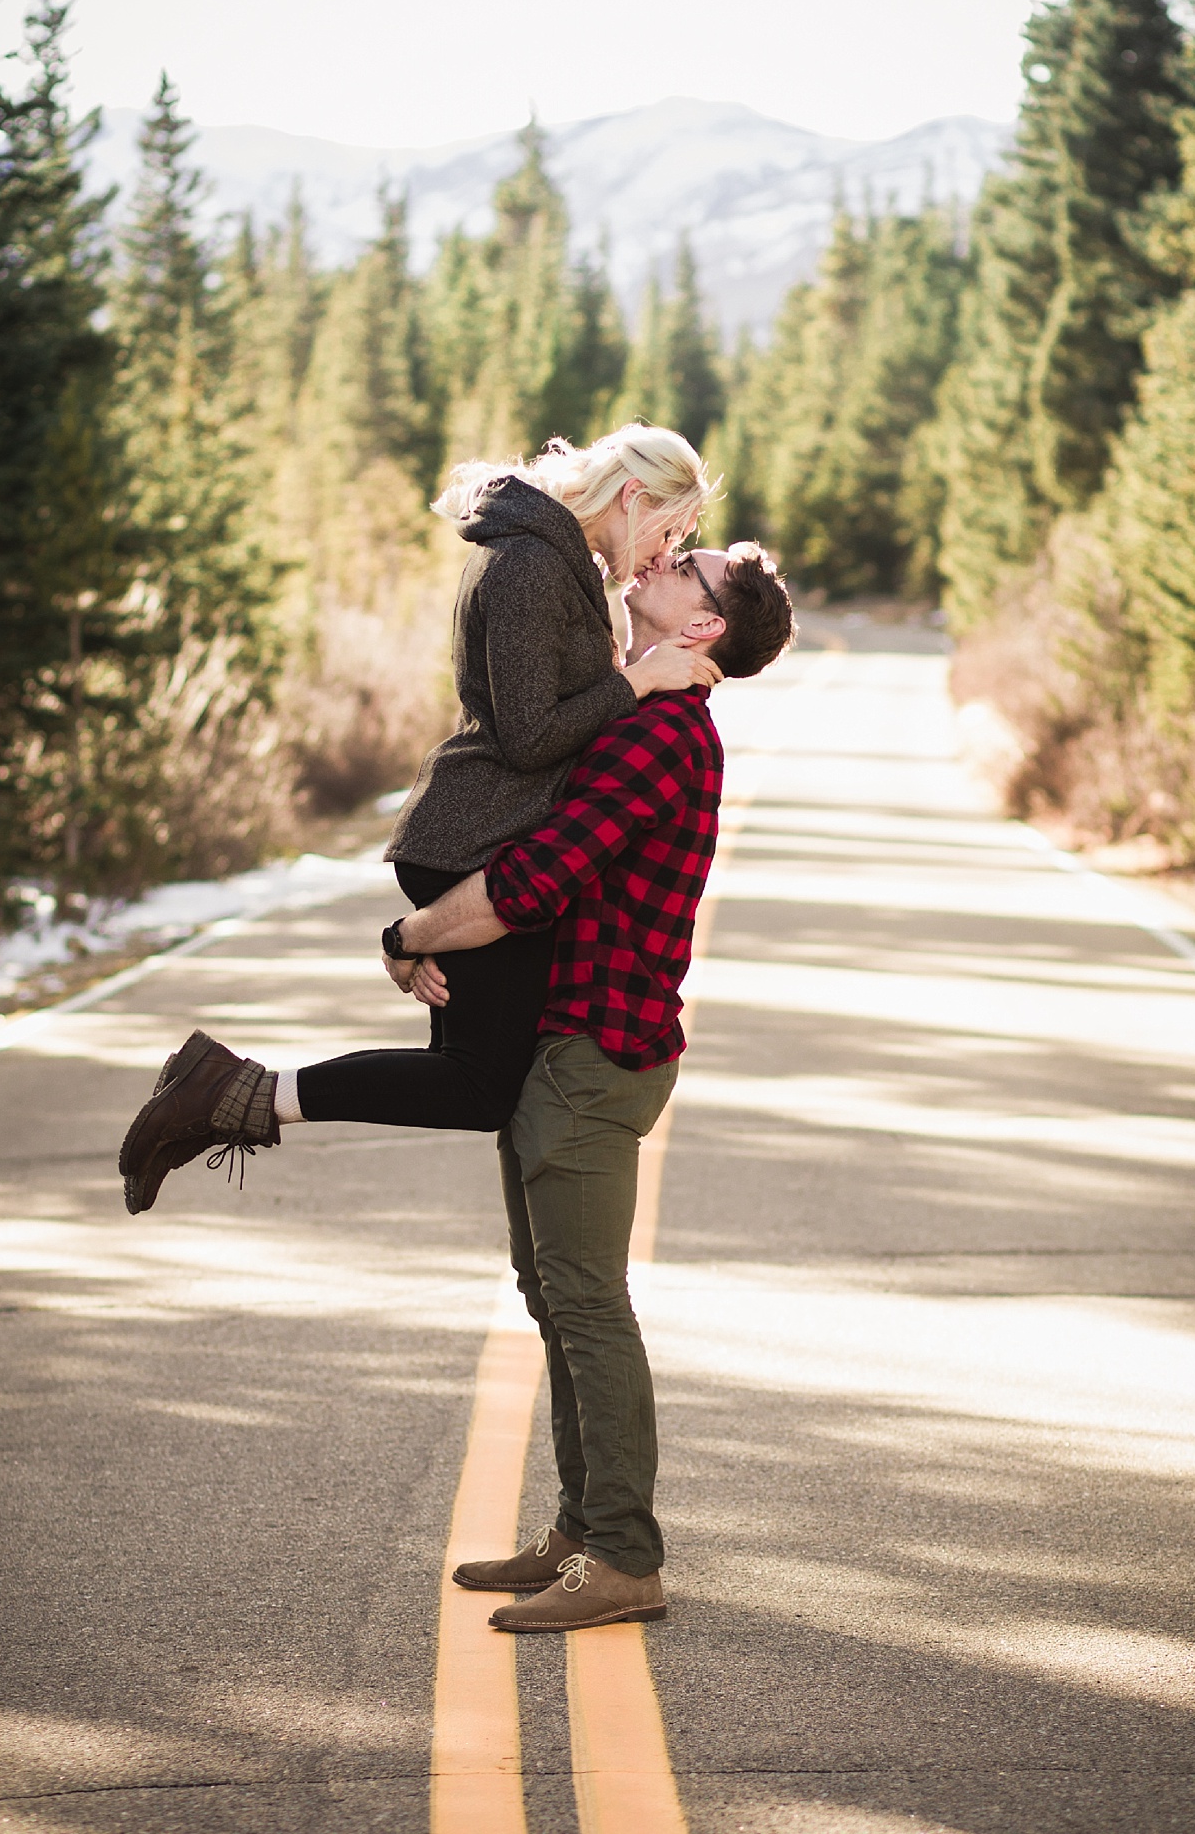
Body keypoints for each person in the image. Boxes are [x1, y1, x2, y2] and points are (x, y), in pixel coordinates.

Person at [119, 424, 718, 1212]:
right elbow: (528, 733)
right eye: (669, 530)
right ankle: (227, 1091)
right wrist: (638, 684)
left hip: (483, 831)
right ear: (634, 496)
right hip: (473, 835)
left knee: (473, 1078)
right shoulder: (530, 564)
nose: (663, 552)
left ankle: (226, 1095)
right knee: (478, 1086)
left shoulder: (557, 559)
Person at [393, 540, 795, 1631]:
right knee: (550, 1294)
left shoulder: (659, 737)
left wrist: (406, 933)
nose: (660, 558)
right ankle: (579, 1526)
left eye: (687, 566)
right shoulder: (629, 714)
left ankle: (623, 1554)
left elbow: (528, 883)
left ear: (702, 625)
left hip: (591, 1054)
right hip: (560, 1043)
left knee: (584, 1301)